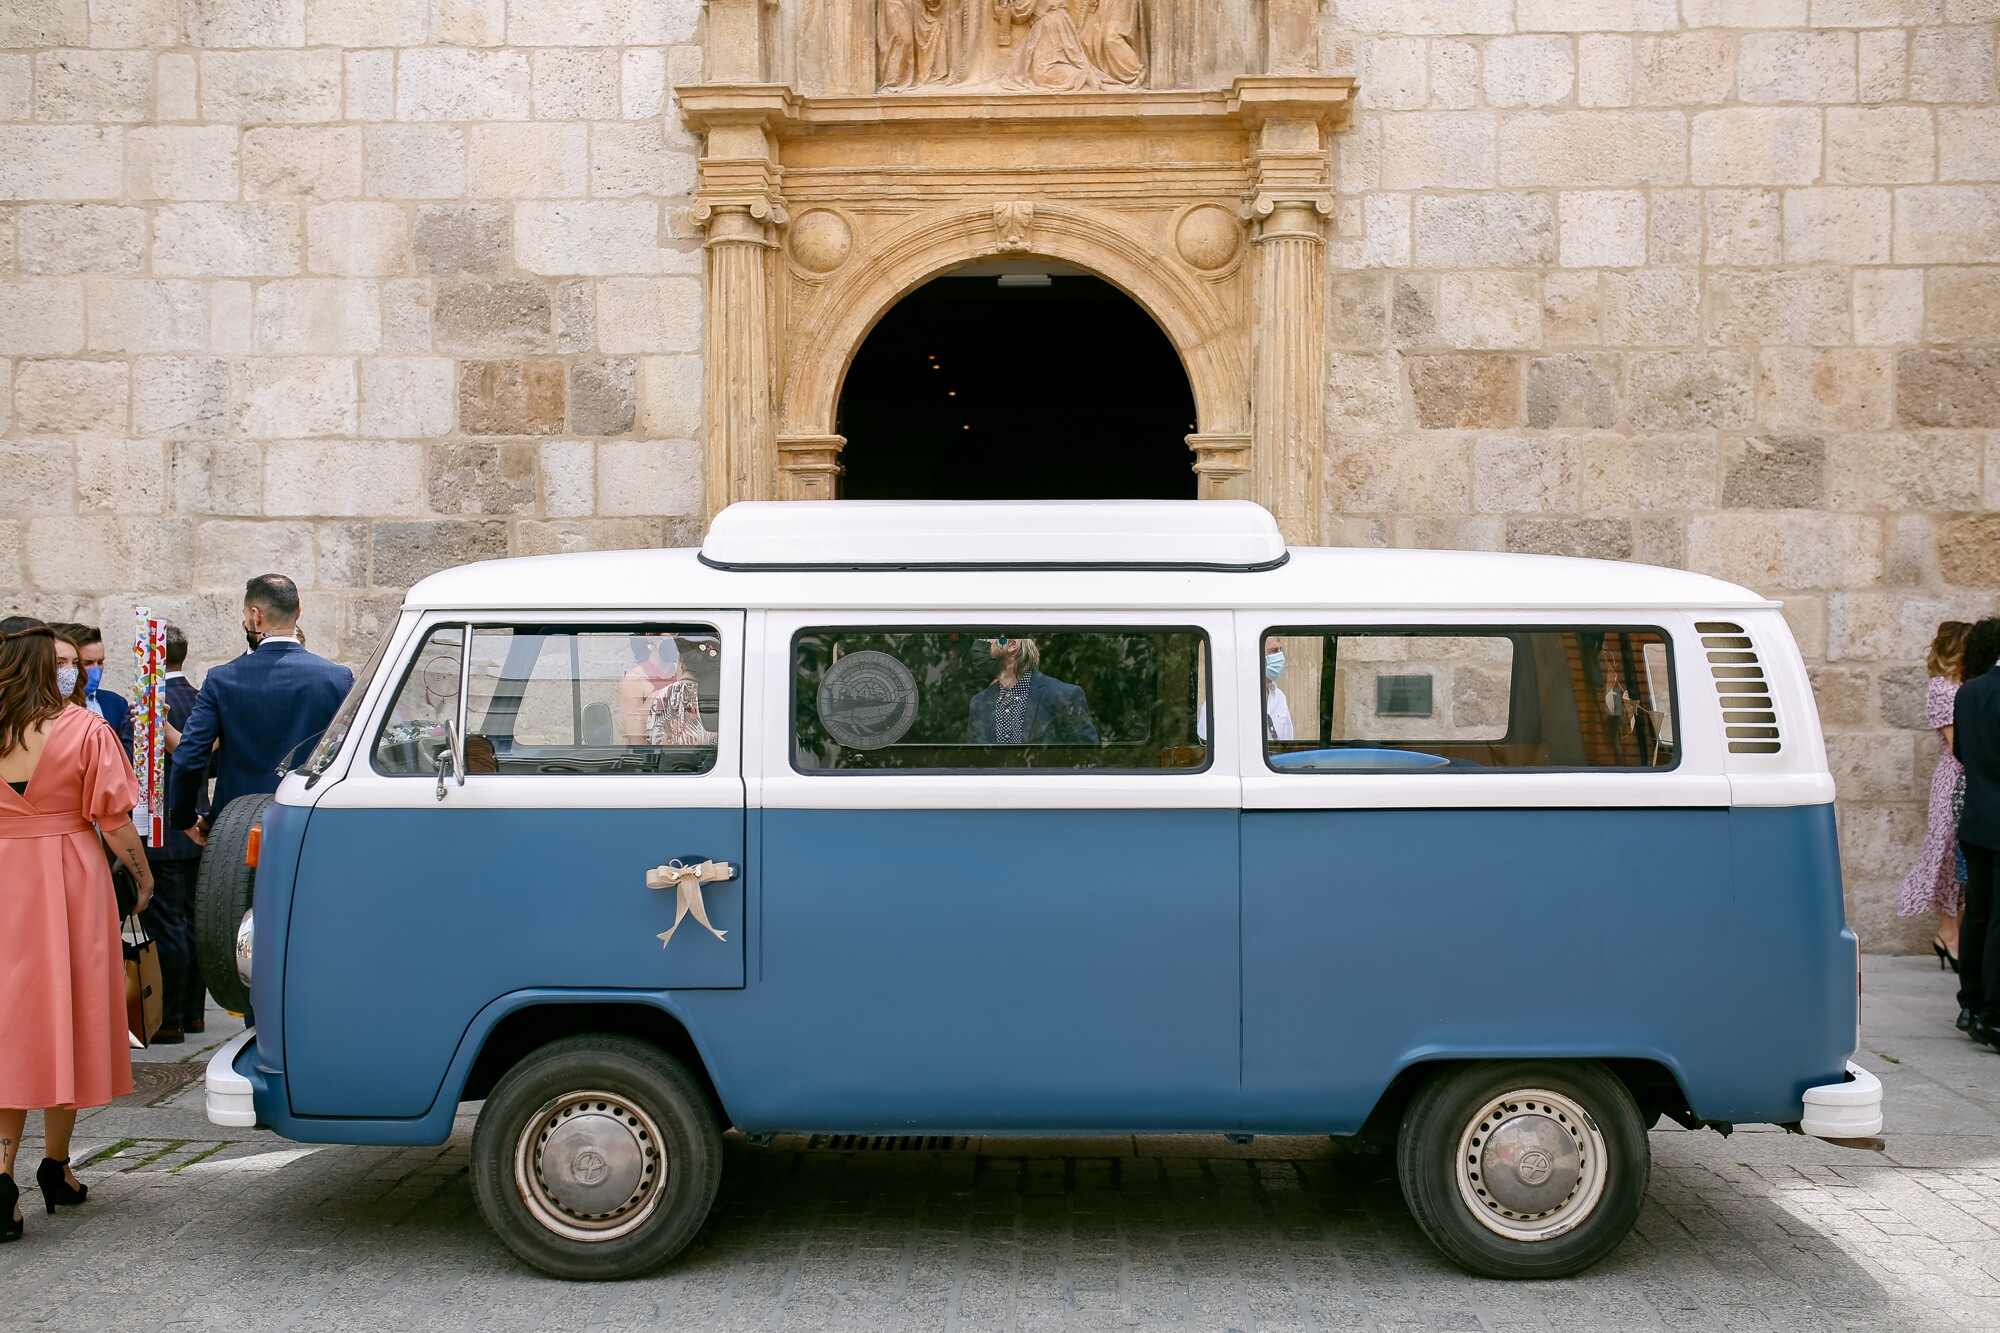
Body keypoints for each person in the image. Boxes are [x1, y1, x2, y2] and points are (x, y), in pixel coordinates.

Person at [0, 616, 155, 1240]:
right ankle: (55, 1166)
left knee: (11, 1020)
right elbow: (115, 820)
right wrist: (142, 878)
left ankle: (2, 1175)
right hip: (68, 876)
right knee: (61, 1011)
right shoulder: (84, 728)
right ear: (46, 667)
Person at [168, 576, 354, 844]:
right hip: (311, 823)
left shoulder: (222, 679)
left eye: (245, 616)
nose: (245, 623)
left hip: (238, 825)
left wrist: (186, 819)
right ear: (298, 611)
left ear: (256, 616)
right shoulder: (338, 678)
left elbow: (189, 756)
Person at [142, 625, 208, 1044]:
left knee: (168, 926)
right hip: (196, 824)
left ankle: (170, 1018)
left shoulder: (149, 706)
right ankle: (196, 1013)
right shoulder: (202, 698)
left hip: (163, 829)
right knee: (192, 921)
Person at [1899, 621, 1972, 971]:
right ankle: (1947, 933)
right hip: (1955, 779)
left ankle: (1955, 932)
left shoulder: (1966, 685)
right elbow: (1958, 744)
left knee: (1962, 858)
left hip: (1972, 778)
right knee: (1945, 855)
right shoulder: (1942, 689)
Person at [1952, 617, 2000, 1047]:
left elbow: (1962, 753)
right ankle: (1993, 1013)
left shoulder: (1969, 691)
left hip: (1977, 816)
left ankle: (1970, 1002)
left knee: (1979, 913)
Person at [967, 635, 1098, 744]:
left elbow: (1087, 758)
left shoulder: (1063, 696)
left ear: (1012, 644)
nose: (982, 641)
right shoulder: (979, 702)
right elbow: (973, 762)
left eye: (990, 636)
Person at [620, 634, 710, 746]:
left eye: (677, 634)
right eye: (669, 633)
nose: (674, 638)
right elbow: (637, 743)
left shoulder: (687, 671)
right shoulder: (634, 680)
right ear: (650, 636)